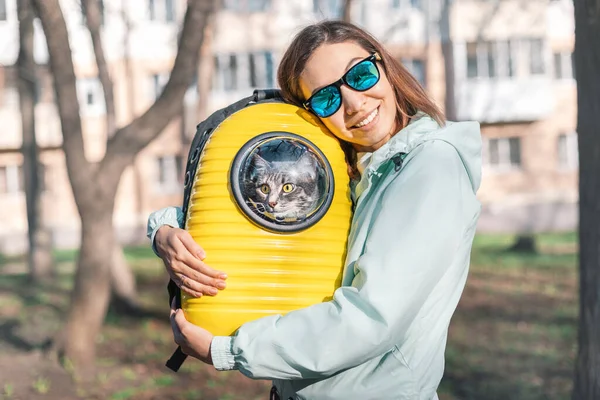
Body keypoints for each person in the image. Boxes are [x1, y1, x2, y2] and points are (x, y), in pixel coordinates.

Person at [147, 20, 482, 400]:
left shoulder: (430, 166)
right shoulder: (357, 171)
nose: (354, 103)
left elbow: (371, 318)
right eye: (327, 98)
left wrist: (226, 350)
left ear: (385, 66)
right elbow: (249, 217)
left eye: (360, 74)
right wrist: (163, 232)